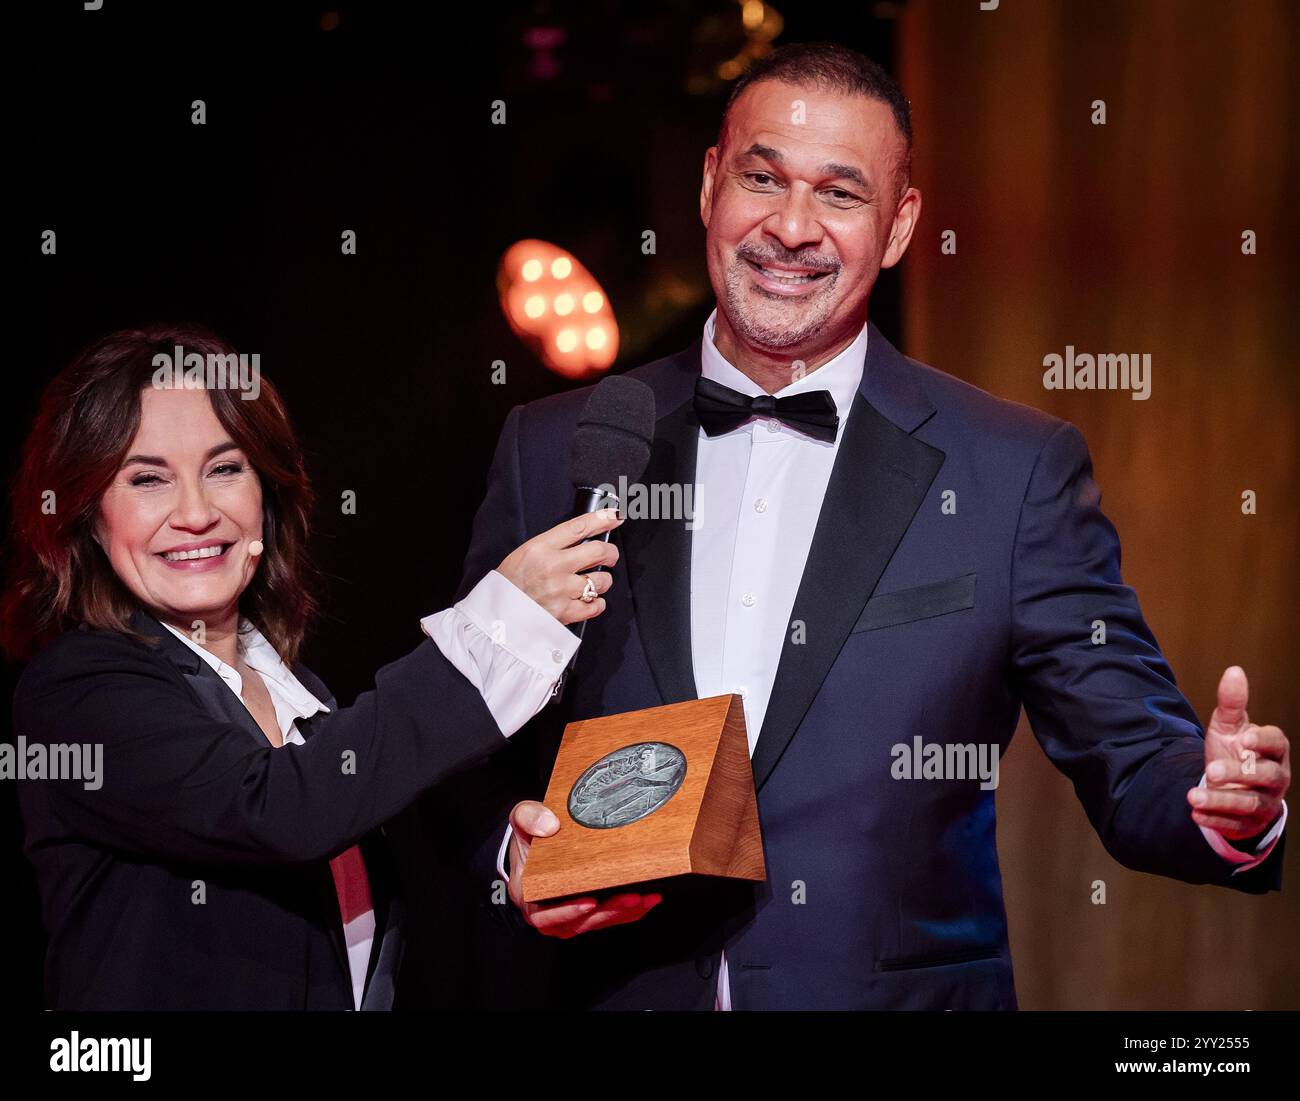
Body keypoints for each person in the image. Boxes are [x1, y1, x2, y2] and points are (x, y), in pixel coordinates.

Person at [453, 42, 1290, 1009]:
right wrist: (511, 858)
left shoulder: (1011, 470)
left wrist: (1223, 803)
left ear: (898, 228)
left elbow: (1133, 756)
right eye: (762, 178)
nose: (791, 226)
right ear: (708, 187)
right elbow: (461, 747)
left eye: (840, 195)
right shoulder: (554, 447)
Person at [2, 323, 622, 1009]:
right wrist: (497, 628)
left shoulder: (306, 698)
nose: (197, 512)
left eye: (225, 467)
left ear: (267, 493)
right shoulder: (77, 689)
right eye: (148, 478)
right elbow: (283, 808)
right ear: (89, 516)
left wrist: (518, 859)